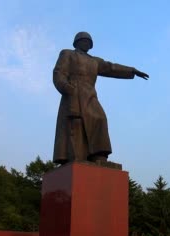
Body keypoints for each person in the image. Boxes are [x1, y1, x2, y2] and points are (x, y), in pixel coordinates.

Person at [52, 32, 149, 165]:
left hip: (90, 94)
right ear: (77, 43)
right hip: (73, 93)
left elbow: (111, 67)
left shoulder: (94, 61)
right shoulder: (67, 54)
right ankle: (76, 157)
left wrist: (132, 71)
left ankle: (99, 154)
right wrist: (66, 88)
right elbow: (58, 73)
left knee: (100, 119)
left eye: (88, 42)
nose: (86, 43)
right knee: (76, 124)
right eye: (83, 41)